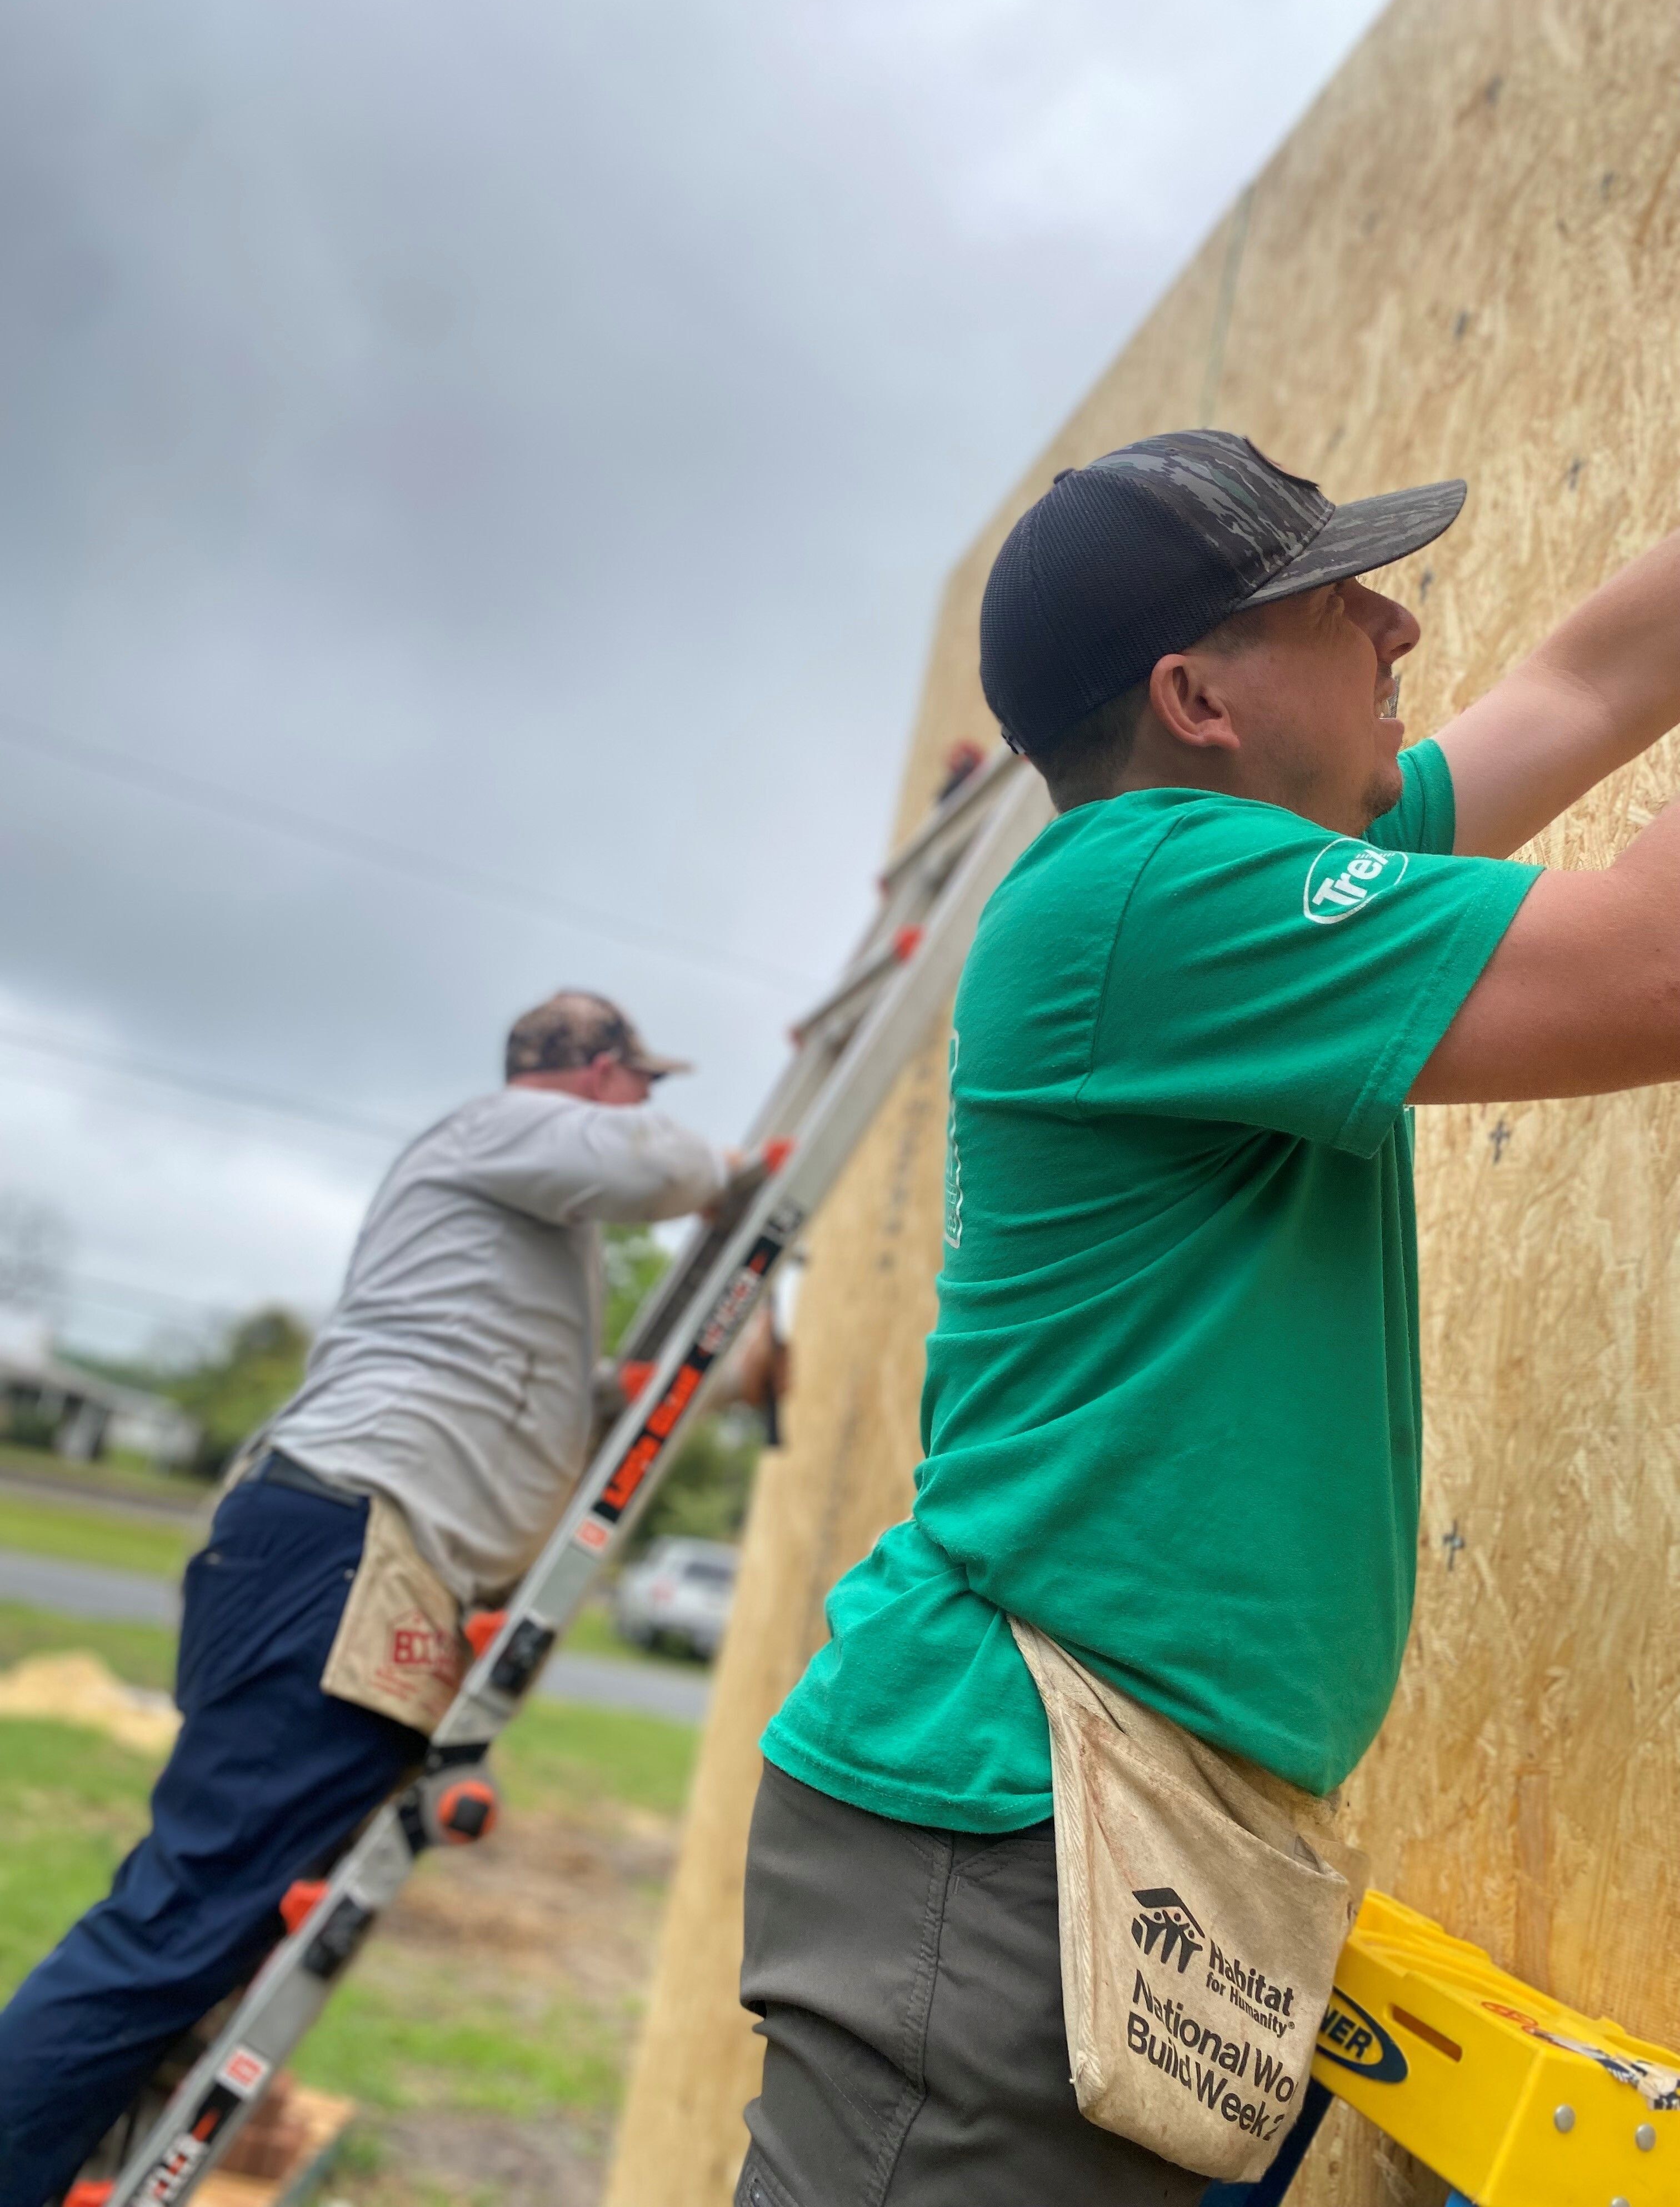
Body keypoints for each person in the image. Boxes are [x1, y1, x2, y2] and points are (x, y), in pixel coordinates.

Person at [732, 430, 1680, 2207]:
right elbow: (1657, 965)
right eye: (1339, 604)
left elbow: (1588, 680)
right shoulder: (1143, 893)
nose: (1398, 627)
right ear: (1195, 695)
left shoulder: (1233, 876)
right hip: (1019, 1830)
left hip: (1116, 1849)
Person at [0, 990, 728, 2206]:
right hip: (339, 1546)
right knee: (175, 1928)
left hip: (330, 1547)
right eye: (640, 1083)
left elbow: (537, 1390)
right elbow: (668, 1168)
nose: (650, 1104)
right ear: (599, 1077)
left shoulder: (514, 1224)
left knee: (204, 1930)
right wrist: (733, 1175)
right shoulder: (497, 1130)